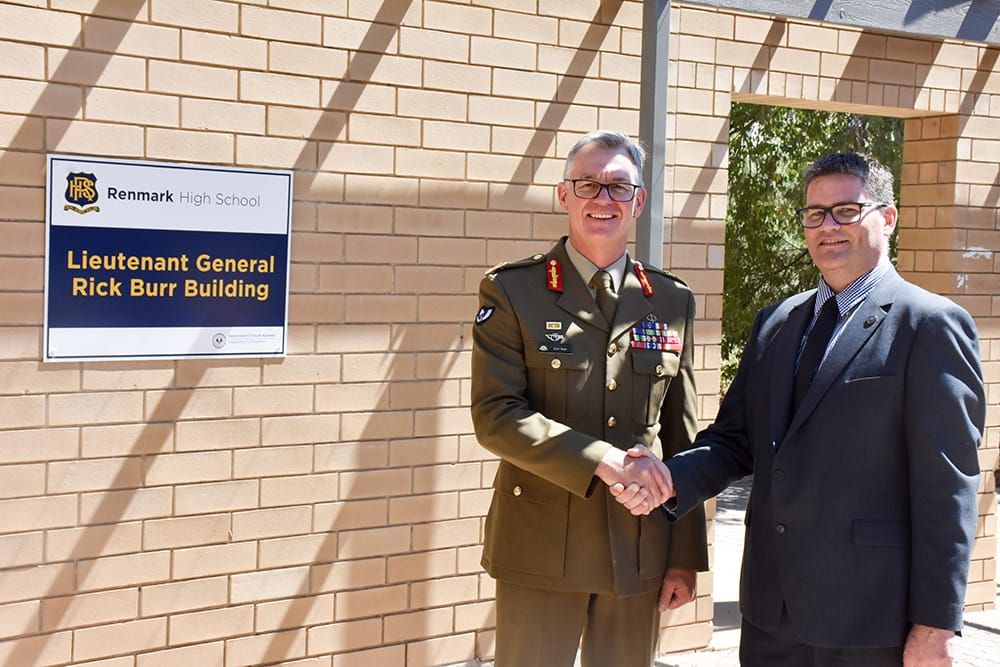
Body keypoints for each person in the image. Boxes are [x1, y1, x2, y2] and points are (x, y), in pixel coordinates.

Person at [650, 152, 985, 666]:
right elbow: (736, 439)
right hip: (771, 612)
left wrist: (937, 624)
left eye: (846, 211)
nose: (827, 226)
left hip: (870, 620)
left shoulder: (931, 325)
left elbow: (948, 484)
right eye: (815, 214)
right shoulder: (777, 322)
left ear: (887, 217)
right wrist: (668, 478)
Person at [470, 130, 708, 667]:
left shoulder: (671, 299)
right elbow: (495, 417)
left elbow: (682, 435)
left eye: (619, 187)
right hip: (540, 548)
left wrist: (684, 557)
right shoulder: (513, 291)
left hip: (639, 549)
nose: (603, 199)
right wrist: (602, 460)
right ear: (564, 195)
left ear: (640, 202)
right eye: (588, 184)